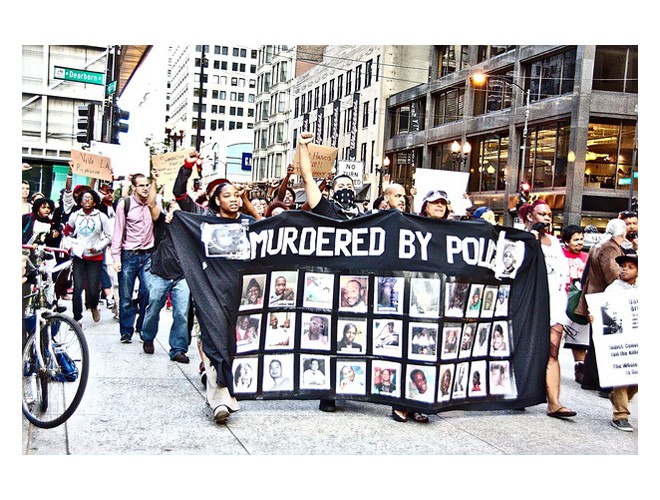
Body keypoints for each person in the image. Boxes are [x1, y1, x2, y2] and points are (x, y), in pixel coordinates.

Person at [298, 131, 364, 413]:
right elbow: (307, 176)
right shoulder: (325, 208)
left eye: (350, 184)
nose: (346, 188)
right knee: (330, 338)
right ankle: (329, 393)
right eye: (341, 184)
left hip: (357, 286)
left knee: (352, 337)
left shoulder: (367, 216)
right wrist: (303, 146)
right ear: (332, 190)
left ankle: (350, 384)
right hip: (330, 286)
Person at [519, 198, 575, 419]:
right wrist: (531, 238)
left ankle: (554, 403)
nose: (546, 218)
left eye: (549, 215)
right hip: (531, 303)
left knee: (553, 351)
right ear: (531, 216)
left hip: (556, 302)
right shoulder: (524, 238)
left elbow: (563, 275)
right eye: (541, 214)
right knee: (526, 348)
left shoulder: (554, 242)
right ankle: (520, 394)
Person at [140, 179, 191, 364]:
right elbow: (151, 203)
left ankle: (178, 348)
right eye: (173, 207)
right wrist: (155, 180)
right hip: (160, 272)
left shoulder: (189, 227)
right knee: (154, 307)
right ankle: (147, 336)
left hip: (182, 275)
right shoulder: (162, 222)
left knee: (181, 312)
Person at [574, 218, 627, 394]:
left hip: (594, 296)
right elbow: (612, 274)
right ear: (623, 233)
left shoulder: (599, 244)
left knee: (596, 342)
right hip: (605, 299)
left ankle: (591, 379)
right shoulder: (610, 247)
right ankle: (605, 385)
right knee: (606, 342)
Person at [111, 174, 155, 344]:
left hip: (148, 254)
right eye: (141, 185)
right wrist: (116, 258)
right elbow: (118, 231)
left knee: (149, 291)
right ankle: (126, 330)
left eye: (147, 185)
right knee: (126, 295)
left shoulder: (152, 204)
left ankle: (142, 325)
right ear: (134, 187)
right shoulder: (125, 205)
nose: (145, 188)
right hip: (129, 254)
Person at [63, 189, 113, 325]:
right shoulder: (75, 216)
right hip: (79, 257)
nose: (87, 201)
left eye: (90, 198)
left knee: (92, 289)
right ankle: (77, 318)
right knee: (77, 287)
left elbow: (109, 237)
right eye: (84, 198)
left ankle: (93, 305)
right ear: (80, 201)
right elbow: (67, 232)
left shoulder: (101, 216)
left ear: (95, 201)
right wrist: (71, 246)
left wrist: (98, 247)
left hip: (95, 257)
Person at [600, 253, 638, 431]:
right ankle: (620, 415)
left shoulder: (641, 290)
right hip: (619, 339)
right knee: (621, 375)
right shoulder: (613, 289)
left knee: (637, 379)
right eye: (623, 266)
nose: (625, 269)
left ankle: (616, 397)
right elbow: (604, 311)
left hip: (637, 339)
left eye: (630, 267)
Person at [561, 224, 589, 383]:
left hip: (579, 302)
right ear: (566, 241)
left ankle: (580, 368)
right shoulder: (559, 255)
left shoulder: (586, 257)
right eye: (576, 239)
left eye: (581, 239)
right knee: (556, 335)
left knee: (579, 337)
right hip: (561, 299)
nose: (580, 242)